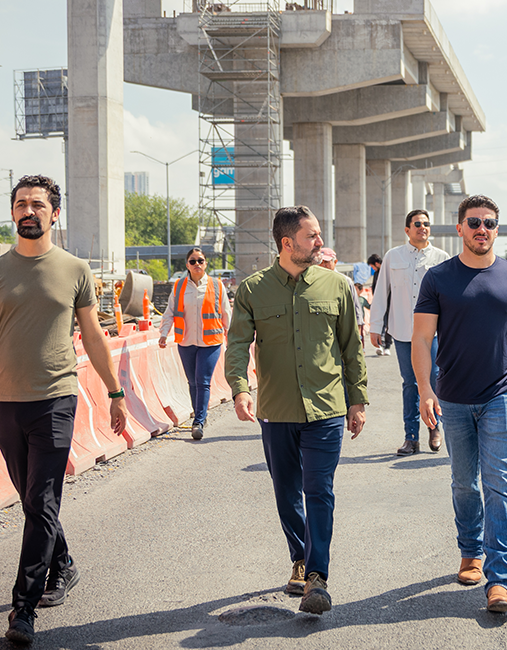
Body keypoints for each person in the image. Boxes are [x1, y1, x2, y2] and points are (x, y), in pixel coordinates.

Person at [0, 175, 126, 647]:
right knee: (34, 502)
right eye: (20, 204)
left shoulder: (75, 270)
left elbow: (93, 336)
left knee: (41, 503)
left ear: (55, 213)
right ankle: (64, 565)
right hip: (6, 403)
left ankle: (23, 609)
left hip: (56, 399)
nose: (27, 211)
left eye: (37, 204)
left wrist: (115, 393)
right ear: (12, 213)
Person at [226, 206, 368, 615]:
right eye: (312, 236)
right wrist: (239, 388)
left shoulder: (338, 286)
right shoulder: (253, 289)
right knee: (286, 491)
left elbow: (351, 348)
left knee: (319, 490)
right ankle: (300, 557)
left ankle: (317, 577)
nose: (320, 243)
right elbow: (237, 344)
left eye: (319, 235)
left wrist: (356, 400)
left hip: (326, 407)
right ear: (287, 243)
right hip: (277, 409)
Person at [412, 195, 507, 615]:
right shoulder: (438, 278)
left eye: (490, 222)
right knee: (464, 482)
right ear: (460, 229)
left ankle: (501, 579)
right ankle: (470, 550)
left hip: (501, 395)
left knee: (498, 484)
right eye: (474, 222)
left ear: (497, 229)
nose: (482, 229)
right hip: (452, 396)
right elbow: (420, 339)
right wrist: (425, 389)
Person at [371, 209, 451, 455]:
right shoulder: (393, 257)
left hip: (434, 334)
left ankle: (435, 429)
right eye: (417, 224)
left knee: (434, 381)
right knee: (410, 384)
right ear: (407, 229)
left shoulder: (441, 257)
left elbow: (449, 298)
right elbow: (381, 293)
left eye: (426, 224)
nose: (422, 227)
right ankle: (411, 437)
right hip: (403, 332)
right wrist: (375, 327)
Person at [158, 246, 230, 441]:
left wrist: (231, 337)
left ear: (206, 263)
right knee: (192, 382)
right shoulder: (179, 286)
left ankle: (198, 421)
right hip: (186, 341)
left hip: (211, 342)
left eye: (200, 260)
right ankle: (200, 414)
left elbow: (226, 313)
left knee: (202, 380)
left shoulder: (217, 285)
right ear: (187, 265)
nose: (197, 264)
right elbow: (170, 312)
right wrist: (164, 333)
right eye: (193, 261)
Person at [367, 254, 390, 355]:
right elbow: (374, 288)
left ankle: (387, 346)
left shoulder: (388, 272)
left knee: (389, 325)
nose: (372, 269)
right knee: (381, 323)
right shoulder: (376, 273)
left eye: (372, 266)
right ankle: (380, 345)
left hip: (390, 303)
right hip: (381, 303)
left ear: (376, 264)